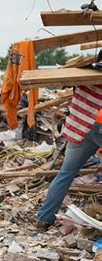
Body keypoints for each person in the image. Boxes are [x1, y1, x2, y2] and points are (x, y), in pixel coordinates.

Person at [36, 81, 102, 230]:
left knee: (65, 174)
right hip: (98, 123)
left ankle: (44, 219)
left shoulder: (85, 73)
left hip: (80, 125)